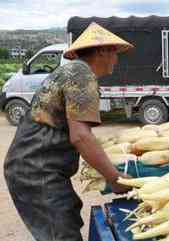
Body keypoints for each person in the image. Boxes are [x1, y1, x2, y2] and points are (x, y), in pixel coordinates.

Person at [3, 22, 133, 241]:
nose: (116, 59)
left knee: (68, 217)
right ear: (102, 51)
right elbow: (81, 136)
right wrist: (114, 178)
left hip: (36, 169)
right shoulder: (81, 74)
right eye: (113, 52)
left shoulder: (72, 71)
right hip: (37, 170)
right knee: (62, 234)